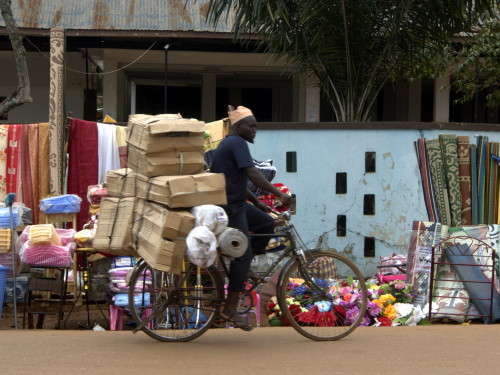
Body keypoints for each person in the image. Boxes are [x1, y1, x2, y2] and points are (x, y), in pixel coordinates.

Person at [210, 105, 292, 331]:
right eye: (252, 126)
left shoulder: (230, 143)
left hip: (238, 203)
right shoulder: (236, 143)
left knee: (266, 222)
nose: (255, 130)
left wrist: (256, 202)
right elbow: (251, 173)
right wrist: (280, 195)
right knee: (242, 255)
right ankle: (230, 308)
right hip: (229, 208)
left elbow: (234, 177)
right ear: (239, 127)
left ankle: (244, 266)